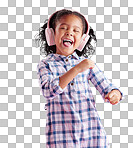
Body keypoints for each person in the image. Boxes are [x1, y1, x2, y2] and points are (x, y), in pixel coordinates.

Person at [36, 9, 123, 148]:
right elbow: (48, 91)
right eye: (63, 28)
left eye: (76, 30)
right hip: (60, 134)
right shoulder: (45, 64)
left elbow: (106, 86)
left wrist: (114, 93)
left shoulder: (86, 64)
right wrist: (76, 69)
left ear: (83, 40)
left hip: (91, 131)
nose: (69, 32)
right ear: (52, 34)